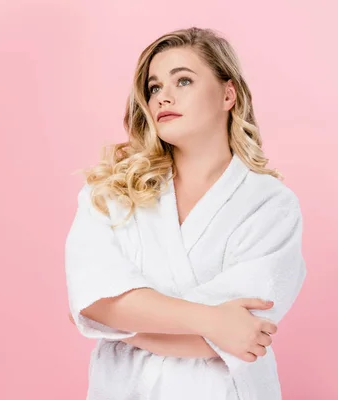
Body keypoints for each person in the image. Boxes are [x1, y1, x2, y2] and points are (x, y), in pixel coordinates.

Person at [64, 27, 307, 400]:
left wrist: (119, 322)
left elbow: (243, 335)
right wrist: (211, 319)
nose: (164, 97)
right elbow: (95, 300)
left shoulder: (270, 204)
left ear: (229, 94)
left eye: (184, 81)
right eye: (155, 87)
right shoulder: (111, 192)